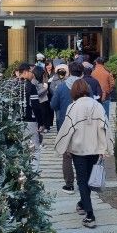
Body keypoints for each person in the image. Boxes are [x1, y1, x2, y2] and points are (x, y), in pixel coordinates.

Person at [54, 79, 113, 228]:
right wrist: (106, 147)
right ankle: (82, 203)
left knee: (82, 180)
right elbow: (105, 127)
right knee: (89, 179)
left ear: (73, 92)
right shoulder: (98, 106)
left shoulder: (73, 107)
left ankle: (90, 215)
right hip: (94, 148)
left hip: (78, 149)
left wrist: (61, 146)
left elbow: (67, 129)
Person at [50, 61, 84, 194]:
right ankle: (82, 183)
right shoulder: (85, 87)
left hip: (65, 125)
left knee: (67, 155)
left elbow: (53, 105)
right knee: (82, 154)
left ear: (69, 71)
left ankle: (69, 184)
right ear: (81, 72)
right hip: (83, 125)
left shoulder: (62, 87)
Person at [17, 63, 43, 172]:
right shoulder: (31, 87)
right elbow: (36, 106)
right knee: (34, 148)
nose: (33, 74)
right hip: (30, 121)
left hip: (16, 121)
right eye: (31, 72)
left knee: (20, 148)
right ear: (26, 72)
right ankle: (33, 173)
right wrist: (41, 122)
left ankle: (20, 171)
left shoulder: (12, 85)